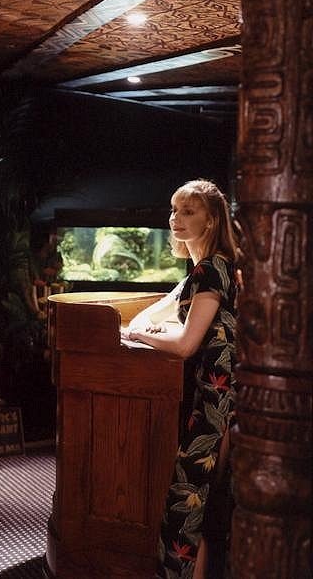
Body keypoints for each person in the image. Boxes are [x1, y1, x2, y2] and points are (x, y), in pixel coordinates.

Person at [121, 179, 238, 579]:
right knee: (204, 511)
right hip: (217, 396)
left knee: (185, 508)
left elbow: (187, 344)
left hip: (215, 401)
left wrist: (141, 337)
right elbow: (164, 316)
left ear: (212, 219)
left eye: (188, 211)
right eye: (174, 210)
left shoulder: (211, 269)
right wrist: (153, 329)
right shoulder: (209, 268)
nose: (176, 218)